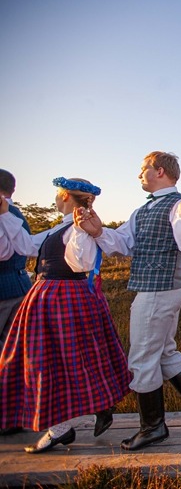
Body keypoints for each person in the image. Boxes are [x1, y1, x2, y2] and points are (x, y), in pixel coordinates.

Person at [74, 151, 181, 451]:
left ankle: (153, 427)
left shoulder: (179, 205)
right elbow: (124, 244)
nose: (139, 175)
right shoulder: (142, 211)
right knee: (164, 350)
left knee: (141, 358)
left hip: (160, 288)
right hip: (158, 287)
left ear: (160, 172)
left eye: (143, 170)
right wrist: (98, 231)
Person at [0, 177, 131, 453]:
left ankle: (69, 423)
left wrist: (82, 231)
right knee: (55, 360)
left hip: (64, 296)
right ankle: (70, 423)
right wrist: (5, 215)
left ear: (65, 196)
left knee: (55, 361)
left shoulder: (77, 228)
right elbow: (26, 246)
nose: (55, 199)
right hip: (48, 296)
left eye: (58, 194)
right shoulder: (58, 228)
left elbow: (80, 263)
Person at [0, 170, 32, 349]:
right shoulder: (16, 213)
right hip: (19, 286)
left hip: (4, 292)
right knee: (12, 349)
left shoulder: (4, 214)